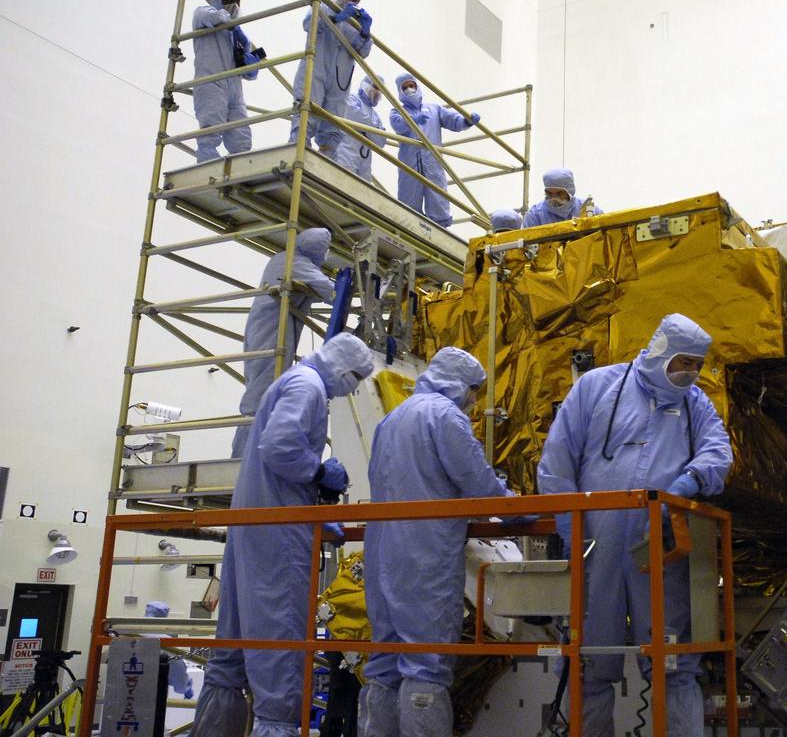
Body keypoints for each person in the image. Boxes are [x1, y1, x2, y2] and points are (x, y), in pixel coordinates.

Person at [537, 314, 733, 736]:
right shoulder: (597, 387)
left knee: (674, 662)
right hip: (595, 547)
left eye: (697, 365)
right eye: (683, 362)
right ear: (660, 350)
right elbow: (557, 461)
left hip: (659, 549)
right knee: (588, 660)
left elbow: (718, 452)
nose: (690, 373)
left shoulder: (694, 403)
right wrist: (570, 531)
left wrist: (689, 481)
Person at [192, 333, 374, 737]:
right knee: (280, 644)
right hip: (277, 537)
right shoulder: (308, 387)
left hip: (254, 527)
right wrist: (319, 471)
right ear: (345, 369)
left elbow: (274, 463)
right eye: (356, 378)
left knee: (232, 654)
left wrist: (312, 513)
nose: (354, 388)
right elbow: (280, 447)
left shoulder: (292, 381)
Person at [360, 347, 515, 737]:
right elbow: (477, 483)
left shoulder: (392, 419)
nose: (474, 401)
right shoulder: (446, 417)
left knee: (385, 662)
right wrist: (520, 508)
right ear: (459, 384)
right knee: (425, 663)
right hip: (424, 555)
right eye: (474, 391)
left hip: (383, 553)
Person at [232, 228, 336, 459]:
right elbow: (333, 292)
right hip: (272, 337)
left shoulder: (283, 258)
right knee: (259, 400)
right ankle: (243, 462)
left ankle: (245, 459)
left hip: (264, 332)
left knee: (261, 396)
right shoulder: (295, 263)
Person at [290, 0, 373, 157]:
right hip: (316, 71)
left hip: (339, 82)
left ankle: (326, 159)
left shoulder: (354, 24)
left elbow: (363, 51)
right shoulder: (323, 7)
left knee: (333, 121)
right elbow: (309, 24)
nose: (351, 2)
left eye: (356, 0)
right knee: (307, 111)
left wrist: (365, 33)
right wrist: (335, 18)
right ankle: (298, 152)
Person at [389, 74, 479, 227]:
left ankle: (439, 230)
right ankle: (408, 228)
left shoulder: (434, 109)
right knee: (408, 202)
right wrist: (412, 120)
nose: (409, 89)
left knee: (438, 197)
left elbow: (452, 119)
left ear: (417, 86)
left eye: (412, 85)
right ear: (400, 92)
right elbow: (398, 125)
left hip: (433, 162)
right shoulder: (397, 111)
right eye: (405, 88)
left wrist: (466, 121)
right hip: (410, 164)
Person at [192, 0, 260, 162]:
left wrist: (251, 63)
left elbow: (250, 74)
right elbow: (215, 17)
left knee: (242, 137)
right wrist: (231, 23)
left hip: (234, 91)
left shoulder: (236, 35)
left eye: (237, 1)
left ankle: (240, 169)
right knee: (211, 130)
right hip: (211, 83)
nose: (234, 5)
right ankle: (207, 167)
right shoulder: (203, 14)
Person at [336, 75, 386, 180]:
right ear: (366, 84)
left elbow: (381, 141)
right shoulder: (352, 98)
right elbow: (351, 113)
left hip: (364, 166)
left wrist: (366, 125)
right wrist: (373, 129)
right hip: (345, 156)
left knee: (361, 190)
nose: (377, 91)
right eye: (375, 87)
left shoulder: (375, 115)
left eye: (380, 89)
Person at [144, 601, 193, 699]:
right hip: (151, 696)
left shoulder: (126, 633)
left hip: (122, 690)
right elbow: (179, 677)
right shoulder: (165, 641)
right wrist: (186, 686)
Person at [522, 167, 600, 227]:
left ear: (570, 191)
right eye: (549, 193)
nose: (554, 198)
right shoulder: (535, 215)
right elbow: (526, 245)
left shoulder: (588, 210)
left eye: (559, 193)